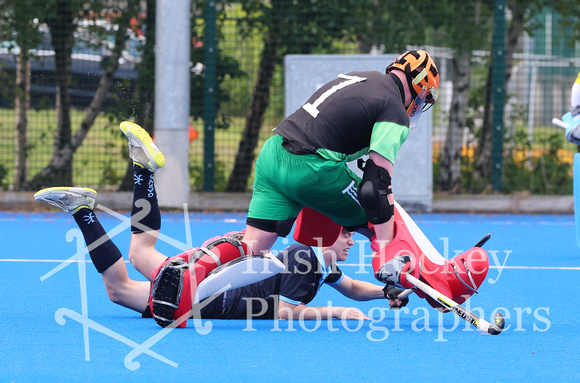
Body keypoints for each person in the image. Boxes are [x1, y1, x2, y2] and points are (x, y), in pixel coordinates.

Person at [34, 122, 408, 327]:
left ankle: (139, 171)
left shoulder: (311, 261)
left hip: (222, 257)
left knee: (139, 254)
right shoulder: (308, 265)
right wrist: (335, 313)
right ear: (331, 233)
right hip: (204, 296)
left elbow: (354, 287)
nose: (352, 241)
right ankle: (86, 210)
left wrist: (385, 291)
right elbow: (285, 310)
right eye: (348, 234)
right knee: (119, 288)